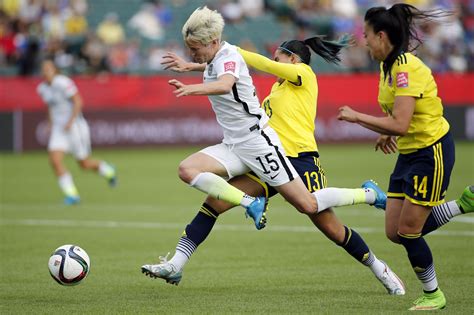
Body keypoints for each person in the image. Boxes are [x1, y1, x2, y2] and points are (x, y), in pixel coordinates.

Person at [141, 7, 403, 295]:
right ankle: (177, 263)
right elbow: (225, 67)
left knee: (323, 220)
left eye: (279, 56)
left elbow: (248, 65)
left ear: (292, 59)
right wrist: (195, 66)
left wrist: (230, 55)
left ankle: (373, 228)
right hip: (260, 158)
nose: (274, 60)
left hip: (300, 160)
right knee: (213, 203)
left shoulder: (304, 74)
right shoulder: (273, 92)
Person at [337, 3, 473, 311]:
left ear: (382, 36)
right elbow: (400, 119)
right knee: (393, 231)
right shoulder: (388, 67)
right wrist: (389, 132)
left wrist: (360, 117)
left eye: (367, 34)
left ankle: (433, 293)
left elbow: (401, 121)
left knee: (409, 232)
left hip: (430, 151)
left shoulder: (406, 68)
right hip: (409, 152)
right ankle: (462, 204)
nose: (365, 40)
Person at [37, 59, 117, 205]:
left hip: (75, 126)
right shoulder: (42, 88)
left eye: (48, 69)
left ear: (55, 70)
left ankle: (108, 170)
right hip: (59, 128)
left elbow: (78, 101)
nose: (46, 72)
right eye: (43, 69)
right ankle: (72, 195)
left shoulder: (62, 82)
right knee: (54, 160)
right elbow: (49, 106)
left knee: (84, 164)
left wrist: (70, 121)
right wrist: (50, 123)